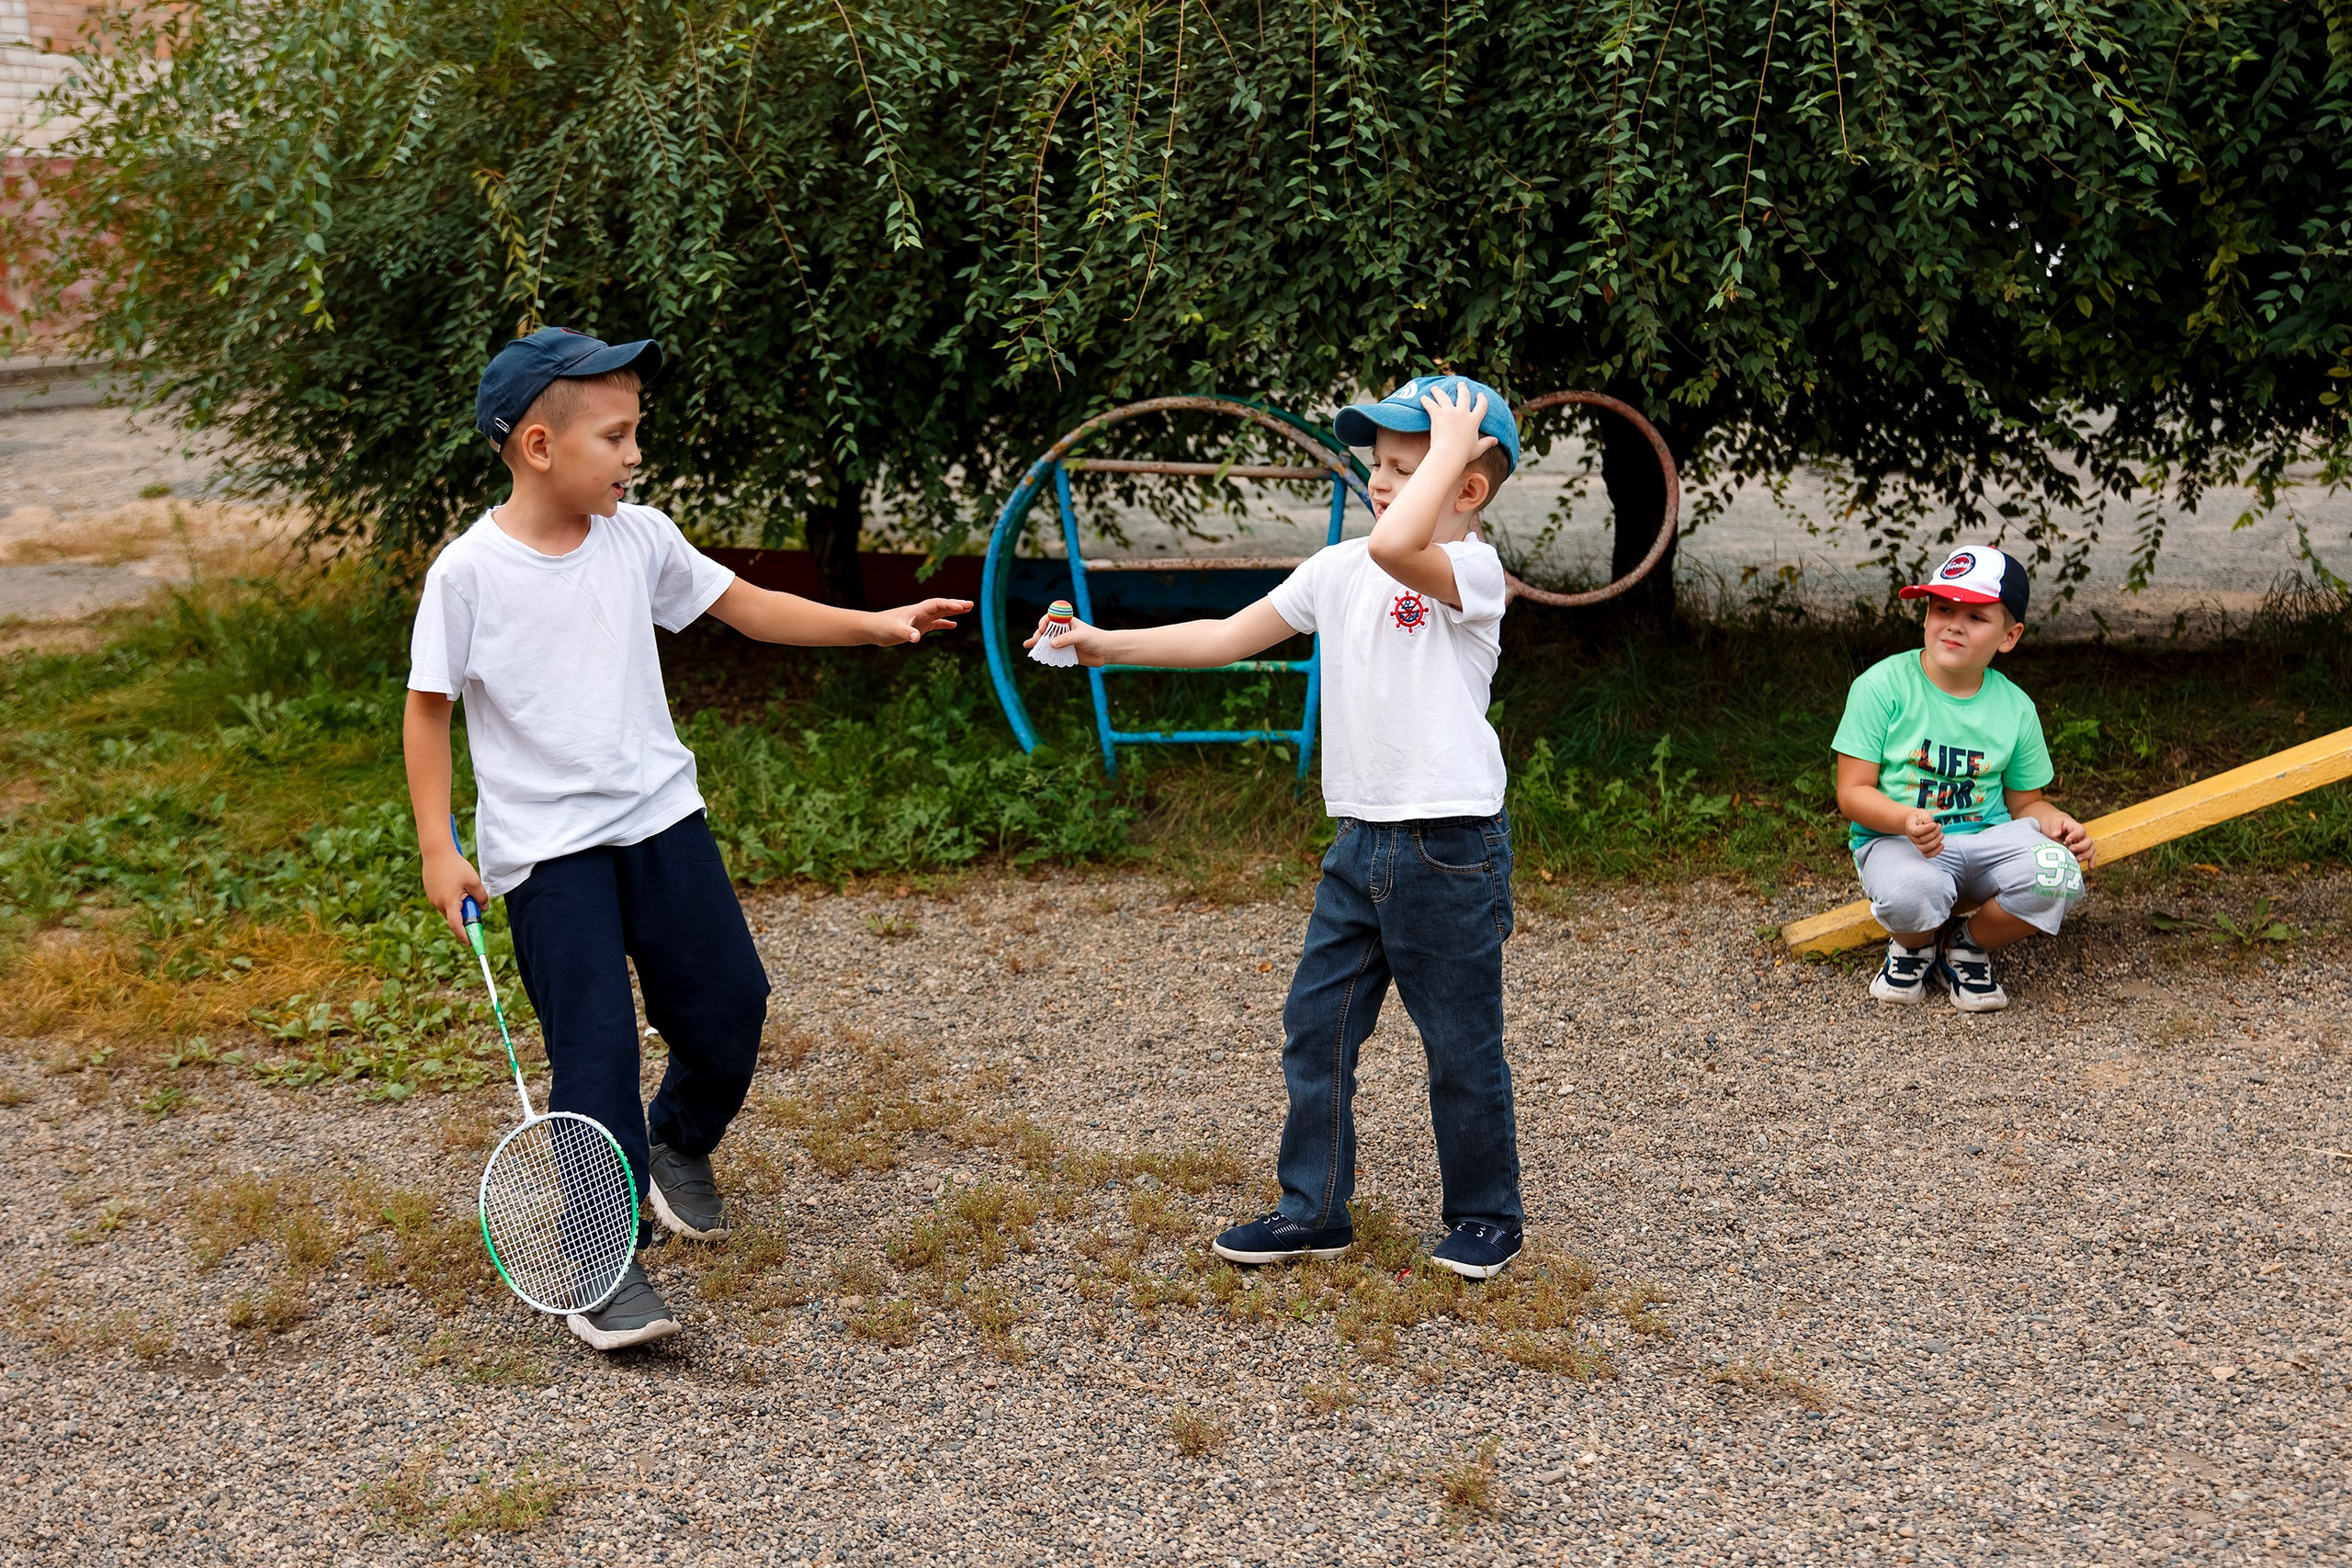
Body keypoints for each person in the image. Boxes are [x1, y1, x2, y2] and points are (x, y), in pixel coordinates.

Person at [403, 327, 967, 1349]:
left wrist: (874, 623)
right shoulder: (468, 576)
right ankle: (596, 1260)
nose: (633, 456)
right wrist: (441, 848)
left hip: (662, 821)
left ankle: (676, 1143)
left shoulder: (641, 538)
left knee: (730, 1005)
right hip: (548, 855)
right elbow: (428, 710)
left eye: (635, 436)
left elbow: (749, 610)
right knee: (595, 1056)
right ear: (539, 446)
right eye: (615, 437)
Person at [1031, 378, 1526, 1279]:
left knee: (1459, 1043)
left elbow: (1396, 543)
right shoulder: (1338, 570)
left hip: (1447, 848)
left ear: (1465, 490)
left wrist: (1450, 449)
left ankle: (1488, 1214)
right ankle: (1312, 1210)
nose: (1380, 482)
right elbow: (1225, 635)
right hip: (1358, 845)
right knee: (1315, 1026)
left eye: (1407, 467)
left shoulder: (1471, 574)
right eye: (1376, 464)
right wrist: (1102, 644)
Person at [1832, 545, 2094, 1012]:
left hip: (1986, 842)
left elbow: (2027, 804)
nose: (1953, 624)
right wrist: (1905, 818)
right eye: (1943, 608)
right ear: (1927, 614)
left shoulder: (2015, 707)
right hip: (1900, 841)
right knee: (1915, 892)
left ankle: (1966, 945)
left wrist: (2058, 823)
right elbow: (1852, 794)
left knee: (2059, 873)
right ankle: (1913, 945)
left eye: (1976, 617)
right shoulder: (1880, 688)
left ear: (2009, 636)